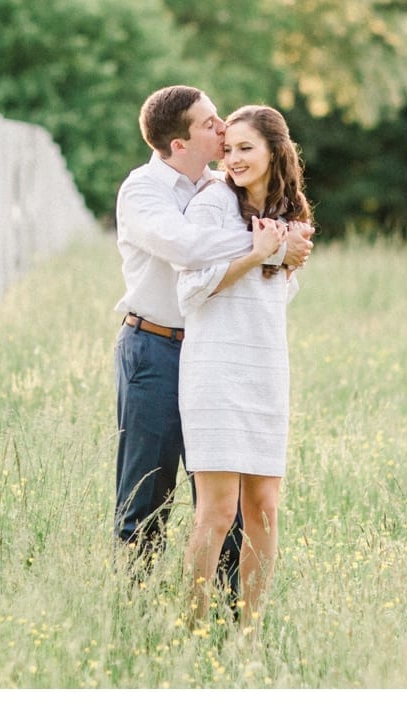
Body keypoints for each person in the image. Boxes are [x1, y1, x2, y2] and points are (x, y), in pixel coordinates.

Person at [112, 87, 313, 593]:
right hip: (157, 348)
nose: (222, 128)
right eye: (210, 123)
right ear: (180, 143)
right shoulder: (143, 192)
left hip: (216, 352)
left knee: (225, 504)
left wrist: (276, 245)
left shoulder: (222, 190)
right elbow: (187, 249)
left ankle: (222, 622)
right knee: (147, 493)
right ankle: (133, 611)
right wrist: (270, 244)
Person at [176, 104, 314, 629]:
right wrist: (260, 254)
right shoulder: (212, 204)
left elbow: (281, 293)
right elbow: (191, 287)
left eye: (245, 148)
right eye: (227, 149)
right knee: (216, 512)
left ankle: (248, 633)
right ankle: (189, 629)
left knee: (263, 508)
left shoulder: (289, 213)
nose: (231, 159)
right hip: (214, 365)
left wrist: (279, 252)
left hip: (265, 365)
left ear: (275, 151)